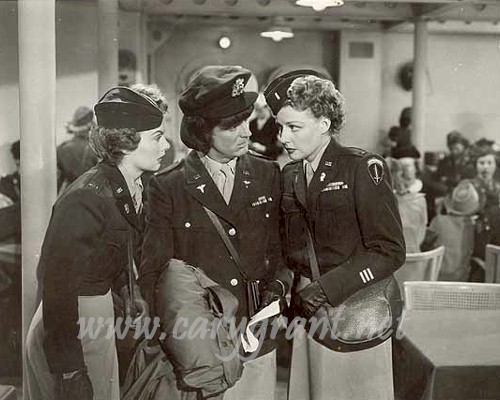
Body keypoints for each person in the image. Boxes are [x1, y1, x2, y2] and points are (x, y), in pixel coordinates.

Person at [139, 65, 291, 399]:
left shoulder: (268, 174)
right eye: (232, 126)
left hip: (256, 333)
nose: (246, 133)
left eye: (246, 121)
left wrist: (277, 291)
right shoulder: (169, 186)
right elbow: (154, 272)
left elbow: (282, 249)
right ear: (203, 131)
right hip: (201, 341)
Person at [264, 70, 405, 400]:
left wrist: (327, 288)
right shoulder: (290, 174)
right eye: (280, 128)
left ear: (324, 124)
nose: (283, 137)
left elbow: (389, 250)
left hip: (356, 311)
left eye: (294, 128)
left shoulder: (361, 168)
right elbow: (290, 246)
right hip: (308, 312)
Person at [25, 85, 170, 400]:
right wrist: (70, 369)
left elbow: (110, 251)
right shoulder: (87, 197)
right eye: (158, 137)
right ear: (128, 141)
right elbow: (57, 287)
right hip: (71, 329)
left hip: (94, 317)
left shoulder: (127, 185)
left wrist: (126, 293)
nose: (166, 145)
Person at [429, 180, 479, 281]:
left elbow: (426, 245)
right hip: (462, 280)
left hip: (437, 278)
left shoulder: (438, 221)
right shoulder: (474, 227)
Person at [387, 157, 427, 253]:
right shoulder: (421, 200)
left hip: (402, 254)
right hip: (413, 254)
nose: (402, 183)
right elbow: (422, 234)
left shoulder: (420, 200)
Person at [56, 106, 99, 191]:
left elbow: (58, 180)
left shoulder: (62, 148)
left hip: (70, 193)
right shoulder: (96, 148)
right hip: (91, 193)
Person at [248, 93, 282, 160]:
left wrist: (265, 149)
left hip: (269, 159)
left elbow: (280, 147)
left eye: (260, 110)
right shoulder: (252, 123)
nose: (258, 112)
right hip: (254, 158)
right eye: (256, 110)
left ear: (267, 108)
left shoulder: (275, 123)